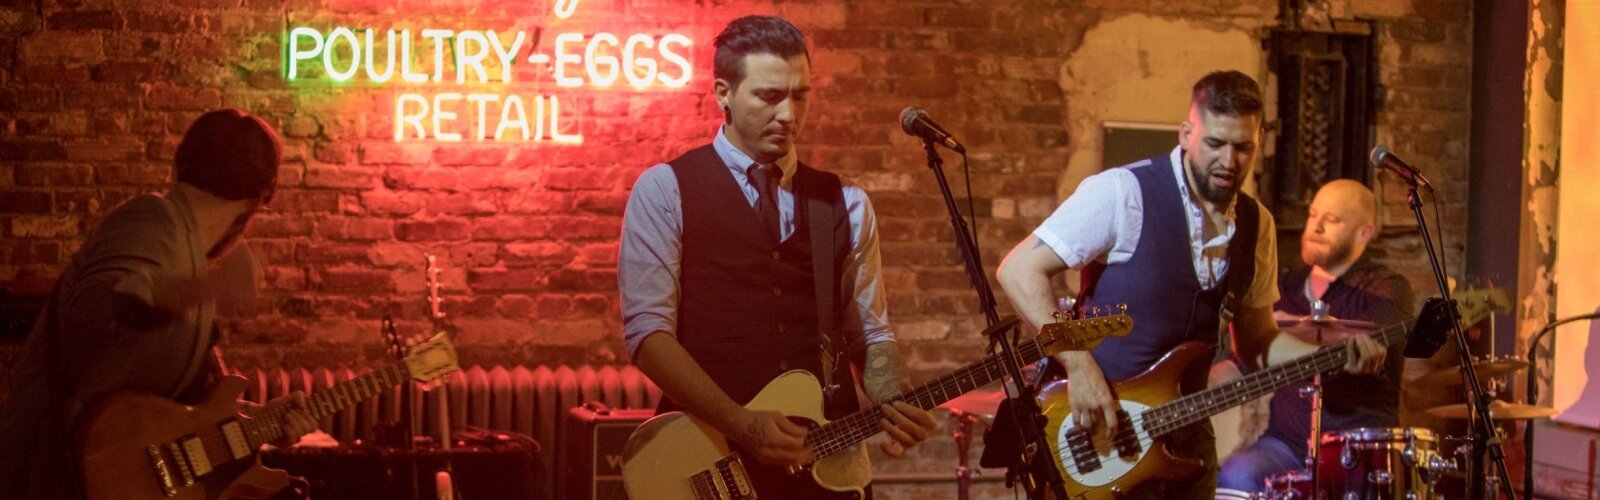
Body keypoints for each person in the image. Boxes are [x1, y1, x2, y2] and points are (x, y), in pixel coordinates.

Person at [995, 71, 1388, 498]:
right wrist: (1078, 366)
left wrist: (1330, 357)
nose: (1229, 161)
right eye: (1215, 144)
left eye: (1243, 147)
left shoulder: (1258, 225)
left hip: (1189, 448)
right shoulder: (1123, 193)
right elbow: (1018, 270)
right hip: (1104, 442)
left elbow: (1256, 344)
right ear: (1186, 133)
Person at [618, 15, 936, 496]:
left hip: (827, 460)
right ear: (723, 92)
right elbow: (648, 335)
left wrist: (892, 400)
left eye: (801, 95)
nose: (789, 114)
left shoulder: (845, 203)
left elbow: (868, 330)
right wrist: (743, 425)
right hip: (707, 458)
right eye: (769, 96)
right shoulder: (665, 190)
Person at [0, 109, 317, 499]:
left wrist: (260, 420)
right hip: (55, 479)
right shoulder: (152, 220)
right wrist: (210, 286)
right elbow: (98, 308)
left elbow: (172, 418)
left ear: (179, 165)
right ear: (262, 196)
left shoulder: (186, 252)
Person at [1217, 179, 1416, 493]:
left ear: (1364, 233)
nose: (1316, 226)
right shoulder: (1284, 288)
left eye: (1332, 220)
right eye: (1313, 215)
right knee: (1234, 476)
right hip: (1286, 445)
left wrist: (1286, 327)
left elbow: (1360, 347)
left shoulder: (1387, 288)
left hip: (1356, 447)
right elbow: (1247, 357)